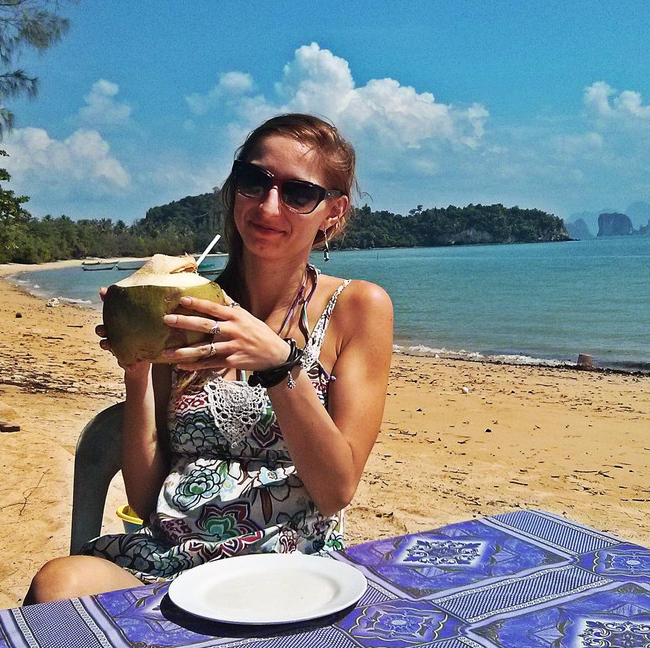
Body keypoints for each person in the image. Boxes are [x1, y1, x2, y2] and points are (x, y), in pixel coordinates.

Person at [25, 114, 394, 603]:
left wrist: (280, 365)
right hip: (171, 564)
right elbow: (144, 501)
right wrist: (137, 370)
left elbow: (335, 492)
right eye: (254, 181)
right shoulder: (183, 306)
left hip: (290, 568)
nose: (268, 205)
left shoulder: (357, 308)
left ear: (334, 212)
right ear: (233, 188)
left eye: (298, 193)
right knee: (58, 583)